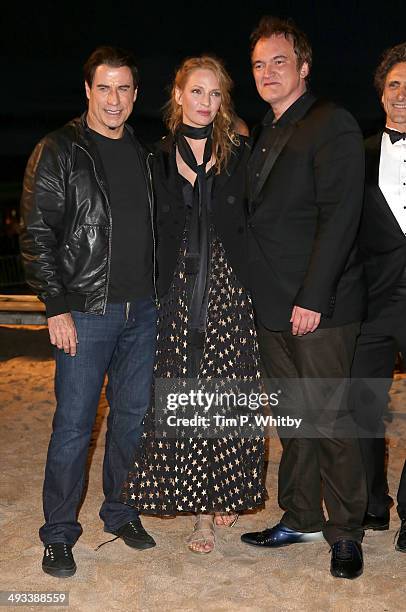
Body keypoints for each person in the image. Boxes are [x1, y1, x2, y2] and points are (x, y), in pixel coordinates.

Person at [19, 46, 157, 578]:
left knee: (130, 420)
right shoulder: (58, 149)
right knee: (74, 427)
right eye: (105, 88)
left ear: (135, 94)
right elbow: (35, 235)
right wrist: (56, 306)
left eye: (124, 88)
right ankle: (58, 534)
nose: (115, 99)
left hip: (141, 313)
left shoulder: (144, 155)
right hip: (85, 314)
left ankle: (120, 511)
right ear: (87, 91)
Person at [240, 16, 367, 579]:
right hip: (274, 308)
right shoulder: (266, 129)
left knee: (331, 421)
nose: (268, 72)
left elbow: (341, 218)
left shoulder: (331, 123)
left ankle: (345, 533)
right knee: (293, 421)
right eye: (260, 64)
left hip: (321, 308)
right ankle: (299, 515)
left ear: (304, 68)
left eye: (279, 62)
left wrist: (313, 297)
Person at [122, 55, 266, 554]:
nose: (205, 102)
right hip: (177, 295)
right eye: (196, 92)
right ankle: (200, 516)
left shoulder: (242, 153)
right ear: (178, 95)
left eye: (215, 94)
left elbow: (263, 220)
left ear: (223, 101)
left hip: (229, 292)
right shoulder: (155, 158)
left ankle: (221, 495)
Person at [351, 42, 406, 553]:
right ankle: (373, 502)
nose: (402, 94)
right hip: (371, 304)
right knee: (363, 408)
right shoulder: (360, 153)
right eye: (393, 85)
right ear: (381, 93)